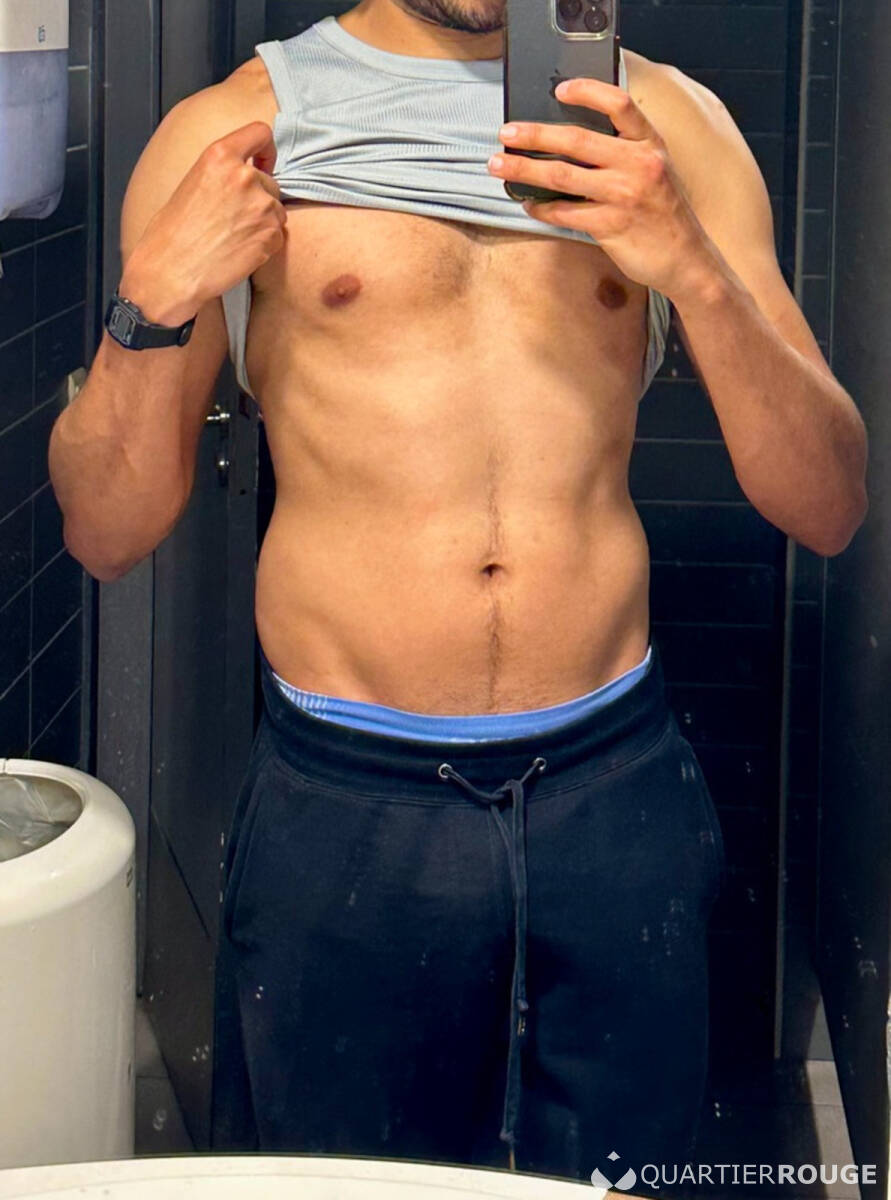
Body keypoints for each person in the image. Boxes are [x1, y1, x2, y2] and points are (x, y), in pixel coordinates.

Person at [48, 0, 868, 1185]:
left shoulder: (669, 125)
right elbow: (105, 534)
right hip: (350, 810)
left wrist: (690, 266)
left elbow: (829, 503)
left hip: (610, 798)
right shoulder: (236, 129)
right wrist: (151, 304)